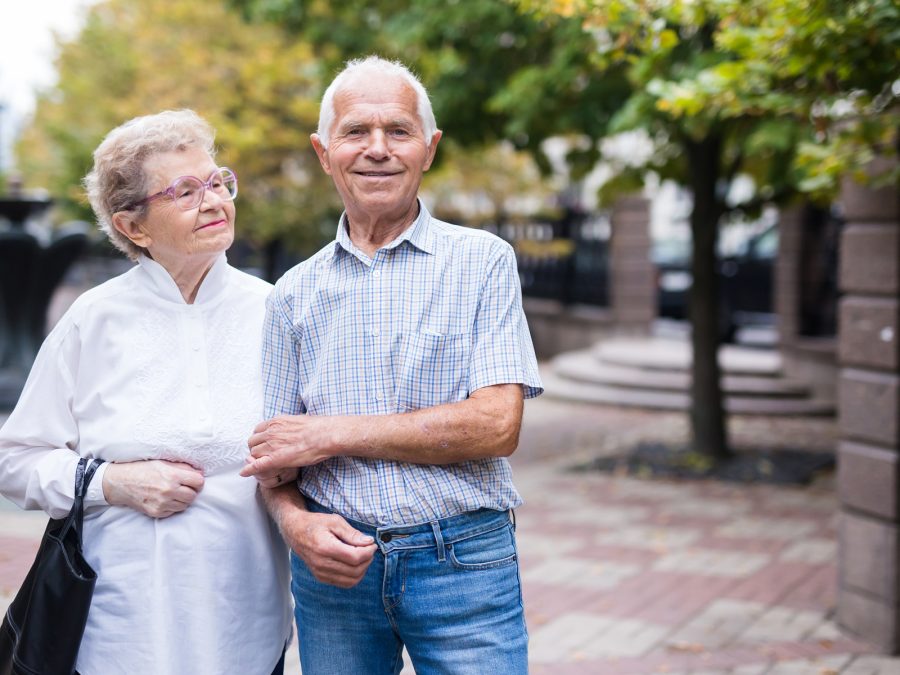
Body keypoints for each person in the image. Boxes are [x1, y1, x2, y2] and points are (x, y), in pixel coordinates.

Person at [240, 56, 543, 674]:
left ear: (428, 150)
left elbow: (495, 427)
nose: (377, 149)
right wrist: (296, 525)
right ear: (324, 153)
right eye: (356, 131)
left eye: (398, 131)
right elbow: (274, 460)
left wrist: (332, 432)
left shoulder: (482, 262)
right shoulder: (291, 295)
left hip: (463, 562)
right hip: (334, 573)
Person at [0, 109, 292, 675]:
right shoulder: (95, 319)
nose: (213, 201)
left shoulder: (276, 310)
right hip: (117, 631)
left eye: (217, 181)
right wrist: (111, 482)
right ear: (134, 226)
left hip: (246, 624)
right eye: (185, 191)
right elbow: (14, 460)